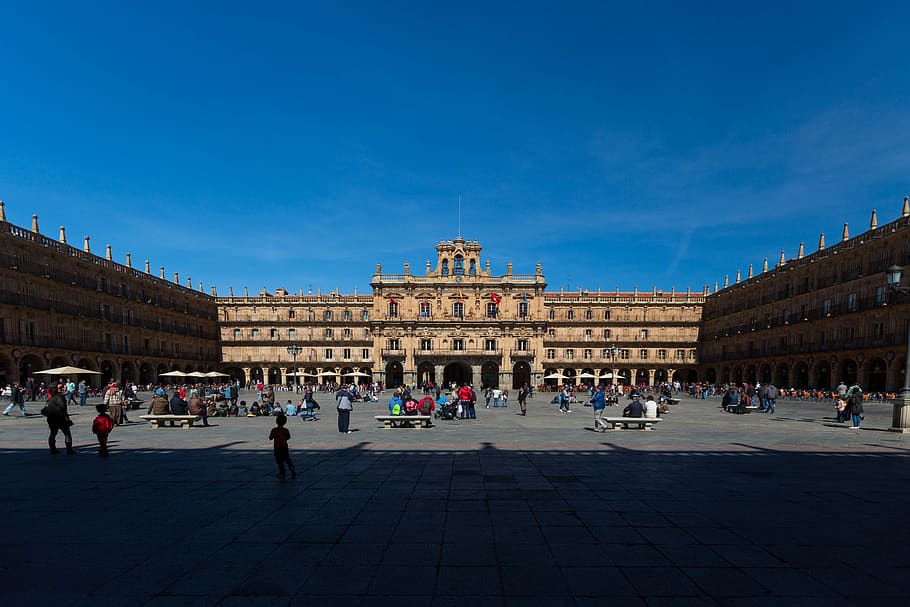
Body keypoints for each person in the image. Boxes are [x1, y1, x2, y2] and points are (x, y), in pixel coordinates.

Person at [42, 384, 74, 455]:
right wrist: (66, 417)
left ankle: (53, 449)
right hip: (61, 418)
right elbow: (63, 408)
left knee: (53, 433)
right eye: (60, 387)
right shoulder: (60, 398)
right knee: (67, 434)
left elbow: (46, 408)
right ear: (56, 389)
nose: (62, 388)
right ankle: (69, 450)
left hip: (51, 419)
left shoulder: (50, 398)